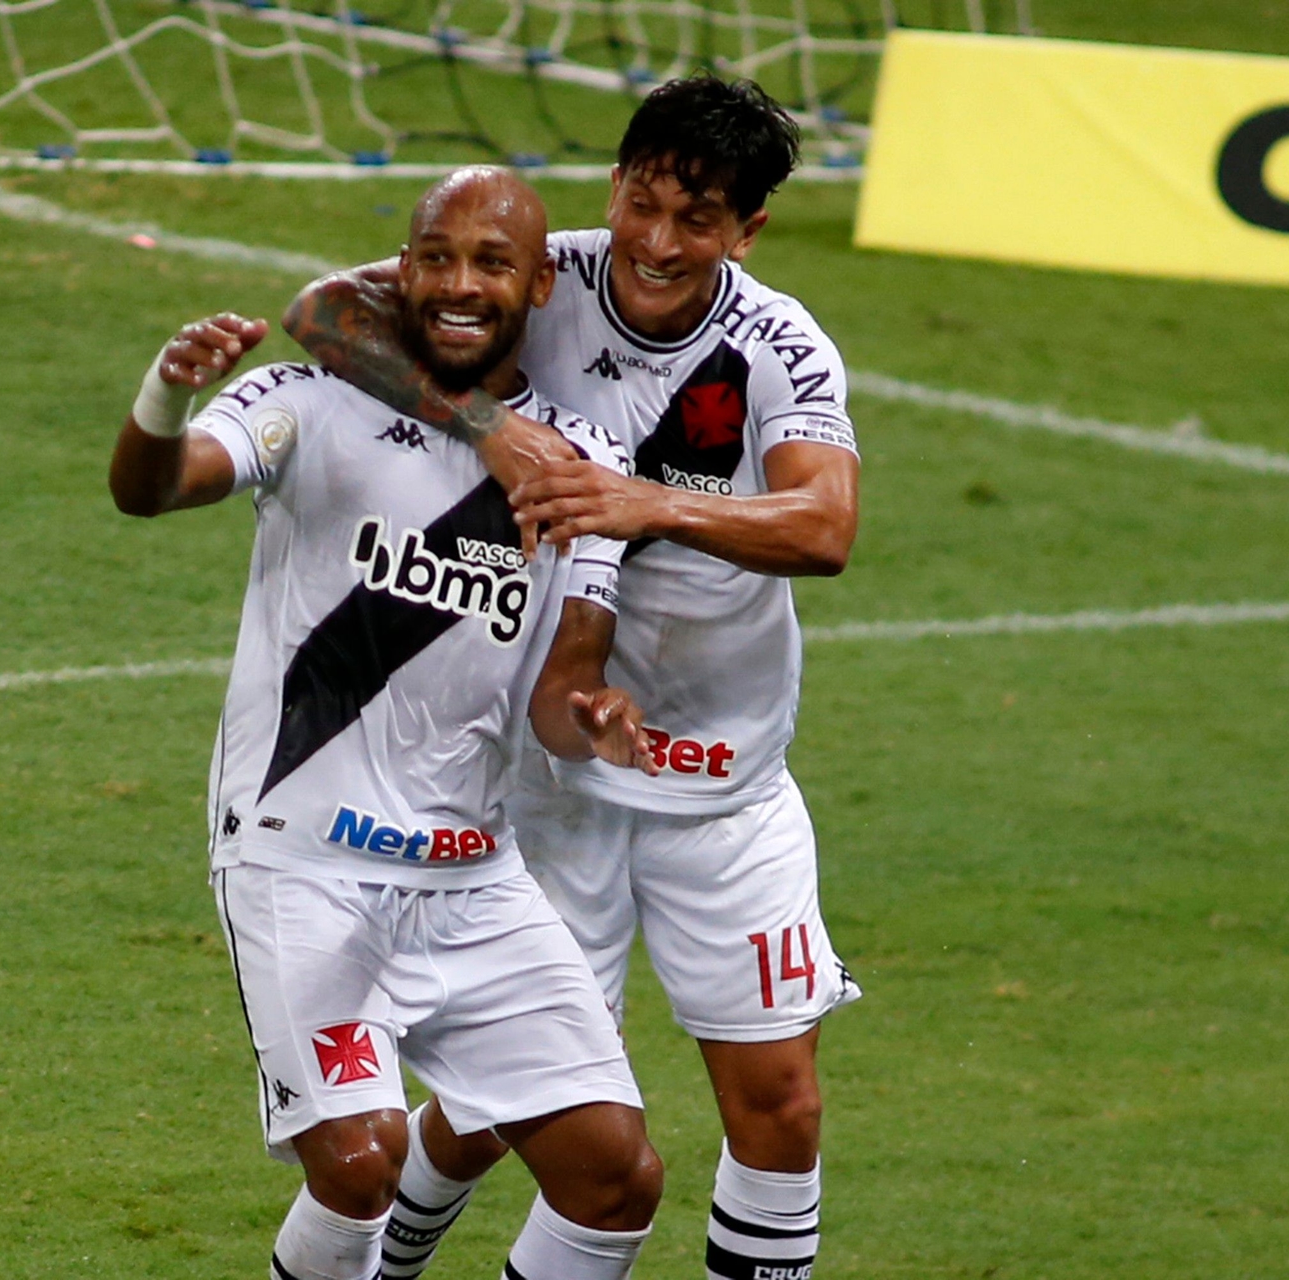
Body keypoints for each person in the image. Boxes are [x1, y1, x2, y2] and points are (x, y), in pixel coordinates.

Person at [284, 75, 862, 1280]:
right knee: (510, 1107)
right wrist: (488, 429)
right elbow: (326, 311)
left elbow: (825, 526)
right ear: (615, 182)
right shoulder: (543, 277)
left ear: (746, 232)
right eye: (641, 200)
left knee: (783, 1108)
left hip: (725, 783)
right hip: (553, 780)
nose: (655, 241)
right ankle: (393, 1259)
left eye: (695, 220)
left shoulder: (778, 347)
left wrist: (642, 501)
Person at [109, 167, 668, 1280]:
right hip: (304, 862)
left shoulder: (583, 467)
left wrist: (593, 717)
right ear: (402, 271)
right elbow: (155, 486)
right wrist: (165, 397)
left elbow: (565, 686)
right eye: (437, 257)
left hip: (473, 878)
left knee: (617, 1175)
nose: (461, 284)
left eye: (492, 262)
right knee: (359, 1164)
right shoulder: (309, 402)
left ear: (539, 281)